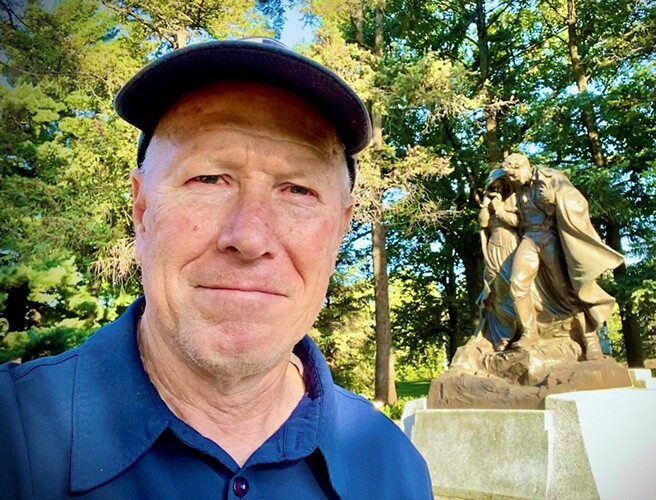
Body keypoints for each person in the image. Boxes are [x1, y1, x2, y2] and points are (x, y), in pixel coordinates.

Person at [0, 38, 432, 499]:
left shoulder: (394, 468)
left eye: (298, 190)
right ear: (143, 210)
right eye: (208, 178)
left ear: (340, 232)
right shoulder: (12, 435)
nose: (249, 238)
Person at [501, 153, 624, 358]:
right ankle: (530, 333)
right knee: (516, 284)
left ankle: (590, 339)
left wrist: (555, 199)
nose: (512, 181)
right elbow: (518, 218)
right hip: (530, 238)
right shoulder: (517, 187)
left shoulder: (550, 177)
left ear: (522, 167)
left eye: (513, 176)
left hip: (550, 237)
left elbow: (577, 202)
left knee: (566, 290)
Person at [476, 169, 520, 350]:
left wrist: (500, 209)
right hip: (494, 245)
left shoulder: (514, 199)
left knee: (511, 286)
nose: (497, 188)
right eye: (493, 186)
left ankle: (516, 332)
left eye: (500, 185)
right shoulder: (490, 203)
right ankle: (501, 336)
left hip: (510, 244)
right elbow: (482, 224)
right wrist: (487, 206)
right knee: (495, 288)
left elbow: (517, 222)